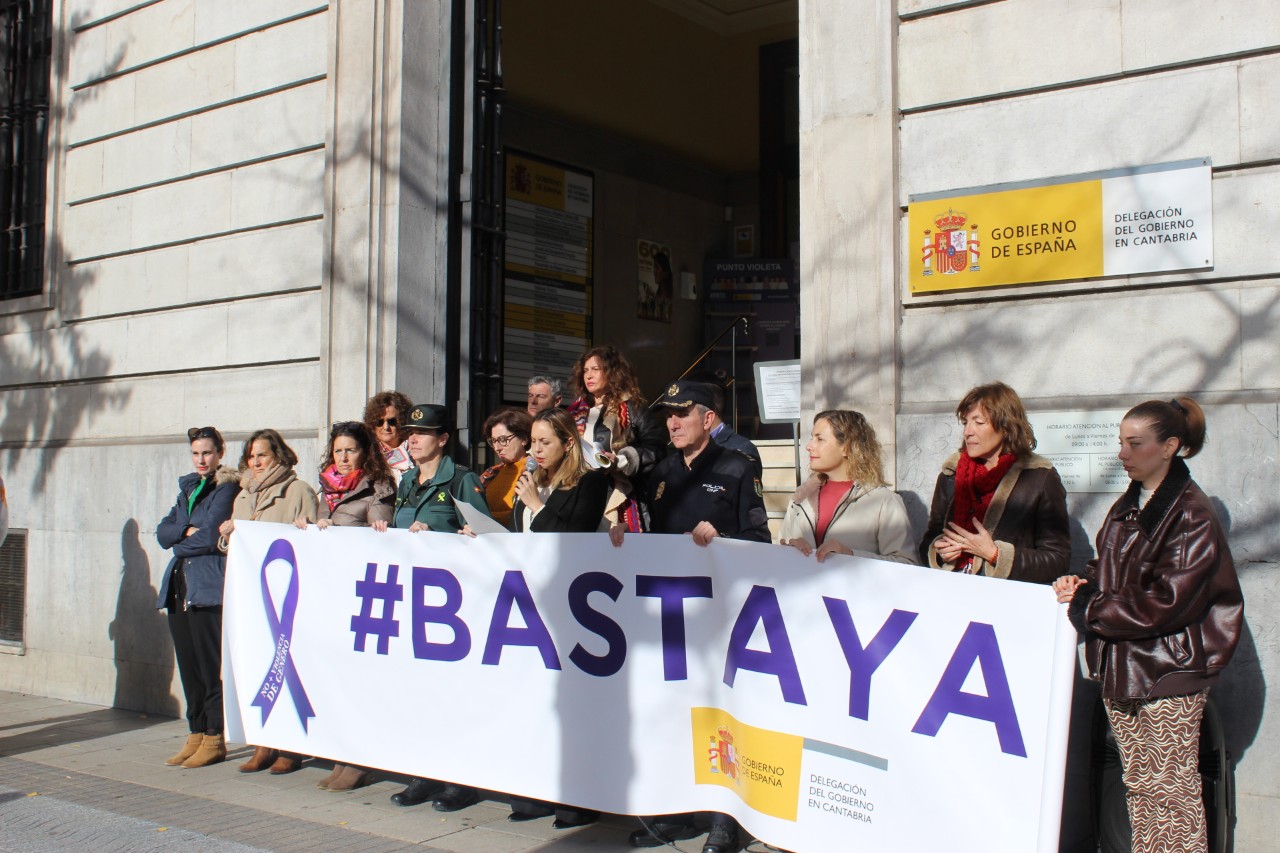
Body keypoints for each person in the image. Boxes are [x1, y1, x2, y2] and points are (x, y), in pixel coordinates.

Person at [1053, 397, 1242, 853]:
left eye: (1134, 444)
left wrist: (1088, 606)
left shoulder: (1190, 513)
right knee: (1142, 789)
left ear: (1170, 446)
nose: (1122, 453)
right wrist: (1085, 582)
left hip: (1167, 672)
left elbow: (1167, 602)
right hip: (1127, 666)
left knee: (1170, 797)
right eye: (1121, 442)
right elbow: (1112, 571)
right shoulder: (1130, 504)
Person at [611, 380, 768, 853]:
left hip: (721, 616)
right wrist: (622, 530)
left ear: (708, 417)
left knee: (719, 714)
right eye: (669, 416)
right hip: (670, 612)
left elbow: (761, 540)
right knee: (674, 711)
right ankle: (679, 809)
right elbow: (648, 529)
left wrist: (724, 535)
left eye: (683, 413)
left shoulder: (737, 466)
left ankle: (724, 819)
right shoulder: (661, 471)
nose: (673, 423)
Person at [469, 407, 610, 827]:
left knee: (573, 704)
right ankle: (536, 789)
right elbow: (522, 538)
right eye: (533, 442)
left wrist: (536, 504)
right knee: (533, 701)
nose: (536, 450)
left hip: (574, 607)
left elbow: (575, 537)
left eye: (545, 441)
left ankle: (578, 796)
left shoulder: (591, 480)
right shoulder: (531, 481)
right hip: (530, 604)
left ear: (569, 443)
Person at [388, 403, 492, 812]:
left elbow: (484, 538)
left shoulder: (463, 480)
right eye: (409, 433)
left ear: (443, 438)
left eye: (422, 433)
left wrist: (442, 535)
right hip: (415, 600)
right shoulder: (408, 480)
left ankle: (459, 779)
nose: (411, 439)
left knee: (454, 693)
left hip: (454, 605)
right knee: (419, 692)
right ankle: (424, 772)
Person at [294, 421, 396, 792]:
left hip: (362, 595)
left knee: (359, 681)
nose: (343, 456)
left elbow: (380, 529)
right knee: (335, 679)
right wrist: (307, 526)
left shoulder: (378, 486)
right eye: (338, 450)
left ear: (364, 452)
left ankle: (359, 759)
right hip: (332, 594)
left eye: (350, 450)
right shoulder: (328, 488)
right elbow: (325, 528)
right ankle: (341, 754)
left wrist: (379, 524)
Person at [217, 428, 319, 774]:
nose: (257, 462)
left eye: (263, 454)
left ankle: (290, 746)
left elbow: (311, 541)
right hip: (252, 598)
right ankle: (264, 743)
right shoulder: (243, 496)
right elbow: (238, 551)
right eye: (252, 456)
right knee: (259, 665)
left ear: (279, 454)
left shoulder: (297, 490)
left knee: (288, 665)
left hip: (285, 595)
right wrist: (228, 535)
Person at [919, 381, 1069, 583]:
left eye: (979, 423)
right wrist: (940, 551)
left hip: (1005, 602)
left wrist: (996, 554)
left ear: (1006, 428)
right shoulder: (951, 475)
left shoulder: (1038, 477)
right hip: (952, 593)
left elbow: (1057, 560)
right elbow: (929, 540)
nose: (968, 432)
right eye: (965, 422)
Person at [154, 426, 241, 768]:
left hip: (206, 589)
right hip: (178, 588)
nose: (201, 459)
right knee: (188, 668)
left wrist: (181, 538)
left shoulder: (227, 486)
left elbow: (208, 539)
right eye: (196, 453)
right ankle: (195, 732)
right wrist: (182, 532)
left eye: (207, 452)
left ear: (220, 452)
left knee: (209, 668)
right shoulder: (187, 488)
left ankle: (214, 736)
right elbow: (162, 530)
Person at [779, 410, 916, 564]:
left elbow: (907, 565)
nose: (809, 446)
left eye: (820, 439)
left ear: (847, 446)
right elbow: (779, 556)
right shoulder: (800, 498)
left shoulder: (885, 501)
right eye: (812, 438)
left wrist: (851, 555)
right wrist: (788, 549)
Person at [567, 345, 666, 531]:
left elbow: (656, 448)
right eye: (586, 370)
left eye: (596, 369)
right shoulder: (574, 412)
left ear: (612, 372)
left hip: (615, 493)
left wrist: (621, 460)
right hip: (577, 492)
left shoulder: (632, 408)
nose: (588, 375)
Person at [478, 408, 533, 528]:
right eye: (493, 441)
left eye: (503, 440)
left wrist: (488, 518)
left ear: (524, 439)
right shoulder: (491, 473)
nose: (497, 447)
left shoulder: (534, 471)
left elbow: (527, 514)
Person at [364, 389, 415, 484]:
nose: (386, 427)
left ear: (402, 422)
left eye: (392, 422)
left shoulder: (416, 451)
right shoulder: (367, 454)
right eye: (379, 422)